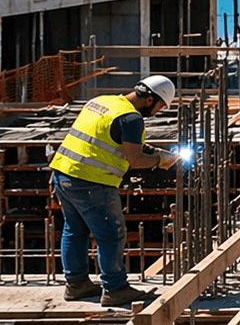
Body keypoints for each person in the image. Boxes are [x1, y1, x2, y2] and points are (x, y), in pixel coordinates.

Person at [50, 75, 182, 306]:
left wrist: (152, 150)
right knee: (111, 235)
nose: (159, 112)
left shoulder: (104, 102)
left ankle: (76, 284)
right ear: (150, 99)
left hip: (62, 174)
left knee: (74, 230)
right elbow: (135, 159)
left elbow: (110, 139)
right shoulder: (131, 118)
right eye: (161, 106)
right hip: (91, 183)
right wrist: (161, 159)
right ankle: (115, 288)